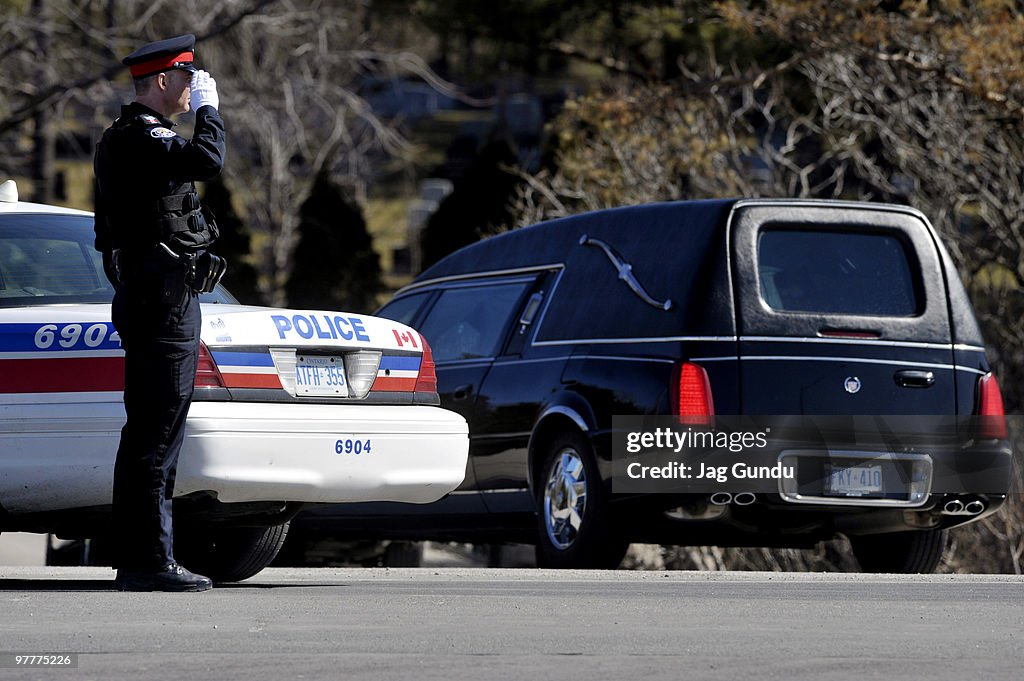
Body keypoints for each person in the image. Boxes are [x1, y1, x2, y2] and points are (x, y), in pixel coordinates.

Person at [93, 34, 227, 592]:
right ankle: (148, 562)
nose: (193, 88)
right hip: (160, 304)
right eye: (188, 79)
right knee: (155, 434)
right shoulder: (141, 138)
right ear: (167, 81)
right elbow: (208, 160)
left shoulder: (136, 138)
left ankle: (144, 557)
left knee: (154, 433)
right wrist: (211, 111)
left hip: (161, 299)